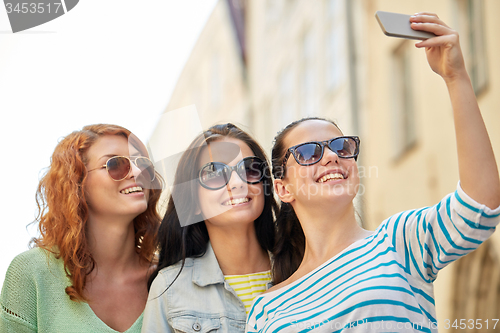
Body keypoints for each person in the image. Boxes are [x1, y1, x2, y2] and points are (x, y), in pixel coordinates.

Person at [246, 13, 500, 333]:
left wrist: (456, 76)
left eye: (341, 146)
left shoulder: (398, 241)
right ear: (283, 189)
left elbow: (480, 206)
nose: (330, 157)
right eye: (309, 152)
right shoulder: (267, 309)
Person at [0, 124, 163, 333]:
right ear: (77, 183)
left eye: (144, 164)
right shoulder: (31, 273)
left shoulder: (169, 276)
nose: (137, 172)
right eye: (116, 164)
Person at [141, 123, 277, 333]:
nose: (238, 182)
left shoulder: (301, 267)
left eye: (249, 168)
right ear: (193, 202)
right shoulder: (169, 288)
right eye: (215, 173)